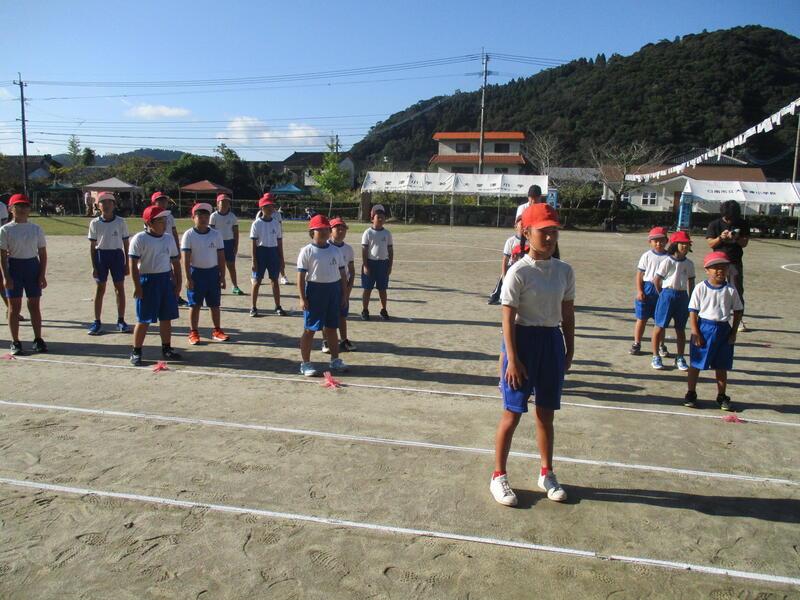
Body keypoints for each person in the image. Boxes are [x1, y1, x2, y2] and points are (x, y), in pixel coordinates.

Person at [490, 203, 574, 507]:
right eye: (543, 232)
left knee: (546, 413)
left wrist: (569, 348)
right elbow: (507, 319)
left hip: (551, 342)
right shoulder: (518, 271)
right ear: (527, 233)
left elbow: (568, 314)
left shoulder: (564, 271)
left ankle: (546, 473)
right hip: (522, 341)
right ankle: (498, 475)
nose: (550, 238)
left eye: (554, 231)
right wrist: (512, 359)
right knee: (512, 413)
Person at [683, 251, 744, 411]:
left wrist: (733, 333)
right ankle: (691, 393)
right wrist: (695, 331)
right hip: (704, 328)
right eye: (715, 267)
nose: (719, 271)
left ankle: (721, 395)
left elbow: (738, 311)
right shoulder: (701, 288)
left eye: (723, 267)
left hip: (723, 329)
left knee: (721, 365)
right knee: (696, 363)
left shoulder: (730, 289)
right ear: (706, 270)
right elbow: (693, 311)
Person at [128, 205, 182, 366]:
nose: (164, 225)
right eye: (160, 221)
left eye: (165, 221)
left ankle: (167, 348)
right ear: (149, 222)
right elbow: (133, 264)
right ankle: (136, 351)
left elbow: (175, 262)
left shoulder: (168, 238)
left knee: (166, 318)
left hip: (165, 280)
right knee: (143, 319)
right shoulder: (140, 239)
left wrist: (178, 284)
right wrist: (137, 286)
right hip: (147, 281)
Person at [296, 214, 349, 377]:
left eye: (327, 229)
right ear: (312, 232)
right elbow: (300, 277)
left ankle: (335, 359)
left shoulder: (335, 250)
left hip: (333, 291)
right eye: (321, 229)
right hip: (315, 292)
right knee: (310, 329)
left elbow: (342, 275)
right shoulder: (307, 251)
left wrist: (344, 295)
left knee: (332, 328)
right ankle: (305, 363)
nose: (325, 232)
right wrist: (302, 298)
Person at [0, 194, 48, 355]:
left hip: (32, 267)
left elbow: (42, 253)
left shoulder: (36, 229)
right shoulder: (5, 229)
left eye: (25, 206)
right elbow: (2, 256)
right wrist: (6, 277)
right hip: (14, 267)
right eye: (18, 206)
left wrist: (42, 274)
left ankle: (38, 339)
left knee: (34, 305)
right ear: (11, 209)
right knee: (14, 307)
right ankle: (15, 341)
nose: (22, 209)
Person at [182, 203, 229, 344]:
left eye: (206, 217)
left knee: (214, 304)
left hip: (212, 273)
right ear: (193, 218)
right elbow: (185, 258)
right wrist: (188, 277)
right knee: (195, 305)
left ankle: (217, 330)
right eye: (200, 217)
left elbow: (221, 256)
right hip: (196, 273)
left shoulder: (216, 234)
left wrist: (222, 275)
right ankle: (193, 332)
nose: (203, 219)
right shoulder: (189, 235)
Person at [87, 191, 132, 335]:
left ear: (114, 205)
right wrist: (94, 266)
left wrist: (126, 263)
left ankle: (121, 320)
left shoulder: (120, 222)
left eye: (109, 202)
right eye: (103, 202)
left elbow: (126, 243)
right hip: (101, 255)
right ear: (98, 205)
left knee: (119, 288)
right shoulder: (95, 223)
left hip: (116, 255)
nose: (106, 205)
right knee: (100, 288)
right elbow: (92, 246)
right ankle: (97, 321)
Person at [651, 231, 695, 371]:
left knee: (680, 329)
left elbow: (691, 282)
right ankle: (655, 356)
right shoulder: (667, 261)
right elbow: (657, 280)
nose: (685, 246)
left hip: (682, 296)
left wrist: (691, 299)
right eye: (682, 243)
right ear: (675, 244)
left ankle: (680, 357)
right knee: (659, 326)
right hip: (667, 294)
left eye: (687, 244)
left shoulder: (689, 263)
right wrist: (663, 294)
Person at [705, 200, 750, 332]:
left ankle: (739, 319)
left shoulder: (742, 223)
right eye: (728, 218)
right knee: (715, 289)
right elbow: (710, 243)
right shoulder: (714, 224)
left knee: (736, 290)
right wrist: (721, 238)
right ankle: (715, 315)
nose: (730, 221)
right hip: (717, 262)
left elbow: (744, 243)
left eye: (733, 218)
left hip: (734, 261)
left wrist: (736, 238)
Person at [630, 227, 669, 356]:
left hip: (663, 290)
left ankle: (661, 345)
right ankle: (637, 343)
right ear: (650, 242)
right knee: (641, 318)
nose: (659, 243)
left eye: (661, 240)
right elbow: (640, 274)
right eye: (655, 241)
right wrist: (640, 290)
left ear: (667, 240)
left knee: (660, 321)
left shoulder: (669, 257)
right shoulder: (647, 255)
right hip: (648, 289)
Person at [249, 193, 286, 317]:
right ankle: (253, 307)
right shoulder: (256, 224)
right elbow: (253, 243)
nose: (270, 209)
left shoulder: (276, 223)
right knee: (257, 281)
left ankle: (278, 306)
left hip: (273, 252)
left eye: (272, 206)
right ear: (261, 208)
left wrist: (281, 259)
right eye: (267, 206)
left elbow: (279, 242)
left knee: (274, 280)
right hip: (261, 252)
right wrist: (254, 260)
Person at [149, 192, 187, 306]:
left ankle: (175, 295)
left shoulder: (169, 216)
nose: (163, 203)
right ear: (154, 203)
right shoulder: (150, 215)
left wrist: (177, 248)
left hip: (170, 247)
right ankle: (169, 296)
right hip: (158, 249)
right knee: (167, 273)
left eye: (164, 201)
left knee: (174, 272)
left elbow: (174, 232)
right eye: (160, 201)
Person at [324, 217, 356, 353]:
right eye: (337, 228)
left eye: (343, 229)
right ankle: (326, 341)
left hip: (343, 286)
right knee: (327, 314)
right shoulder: (325, 246)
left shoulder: (348, 249)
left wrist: (348, 290)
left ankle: (343, 340)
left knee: (342, 314)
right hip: (329, 285)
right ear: (330, 230)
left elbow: (352, 271)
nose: (341, 231)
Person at [360, 204, 393, 320]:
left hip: (383, 264)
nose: (380, 219)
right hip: (370, 263)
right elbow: (364, 250)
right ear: (372, 219)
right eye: (378, 217)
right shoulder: (368, 232)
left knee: (382, 289)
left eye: (382, 217)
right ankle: (365, 310)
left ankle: (383, 309)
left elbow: (390, 250)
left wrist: (389, 265)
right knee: (367, 288)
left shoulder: (387, 233)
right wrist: (365, 265)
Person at [210, 193, 245, 295]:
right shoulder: (213, 216)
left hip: (229, 243)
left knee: (231, 266)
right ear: (218, 203)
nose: (225, 204)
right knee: (217, 267)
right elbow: (210, 232)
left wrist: (236, 245)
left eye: (227, 202)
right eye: (223, 202)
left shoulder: (232, 216)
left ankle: (235, 286)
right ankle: (216, 286)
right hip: (217, 244)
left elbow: (236, 232)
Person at [488, 216, 524, 305]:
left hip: (525, 268)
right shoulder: (511, 241)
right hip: (512, 267)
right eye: (521, 224)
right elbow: (505, 260)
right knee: (503, 278)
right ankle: (495, 297)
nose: (524, 227)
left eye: (526, 225)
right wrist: (504, 276)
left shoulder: (531, 241)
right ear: (516, 227)